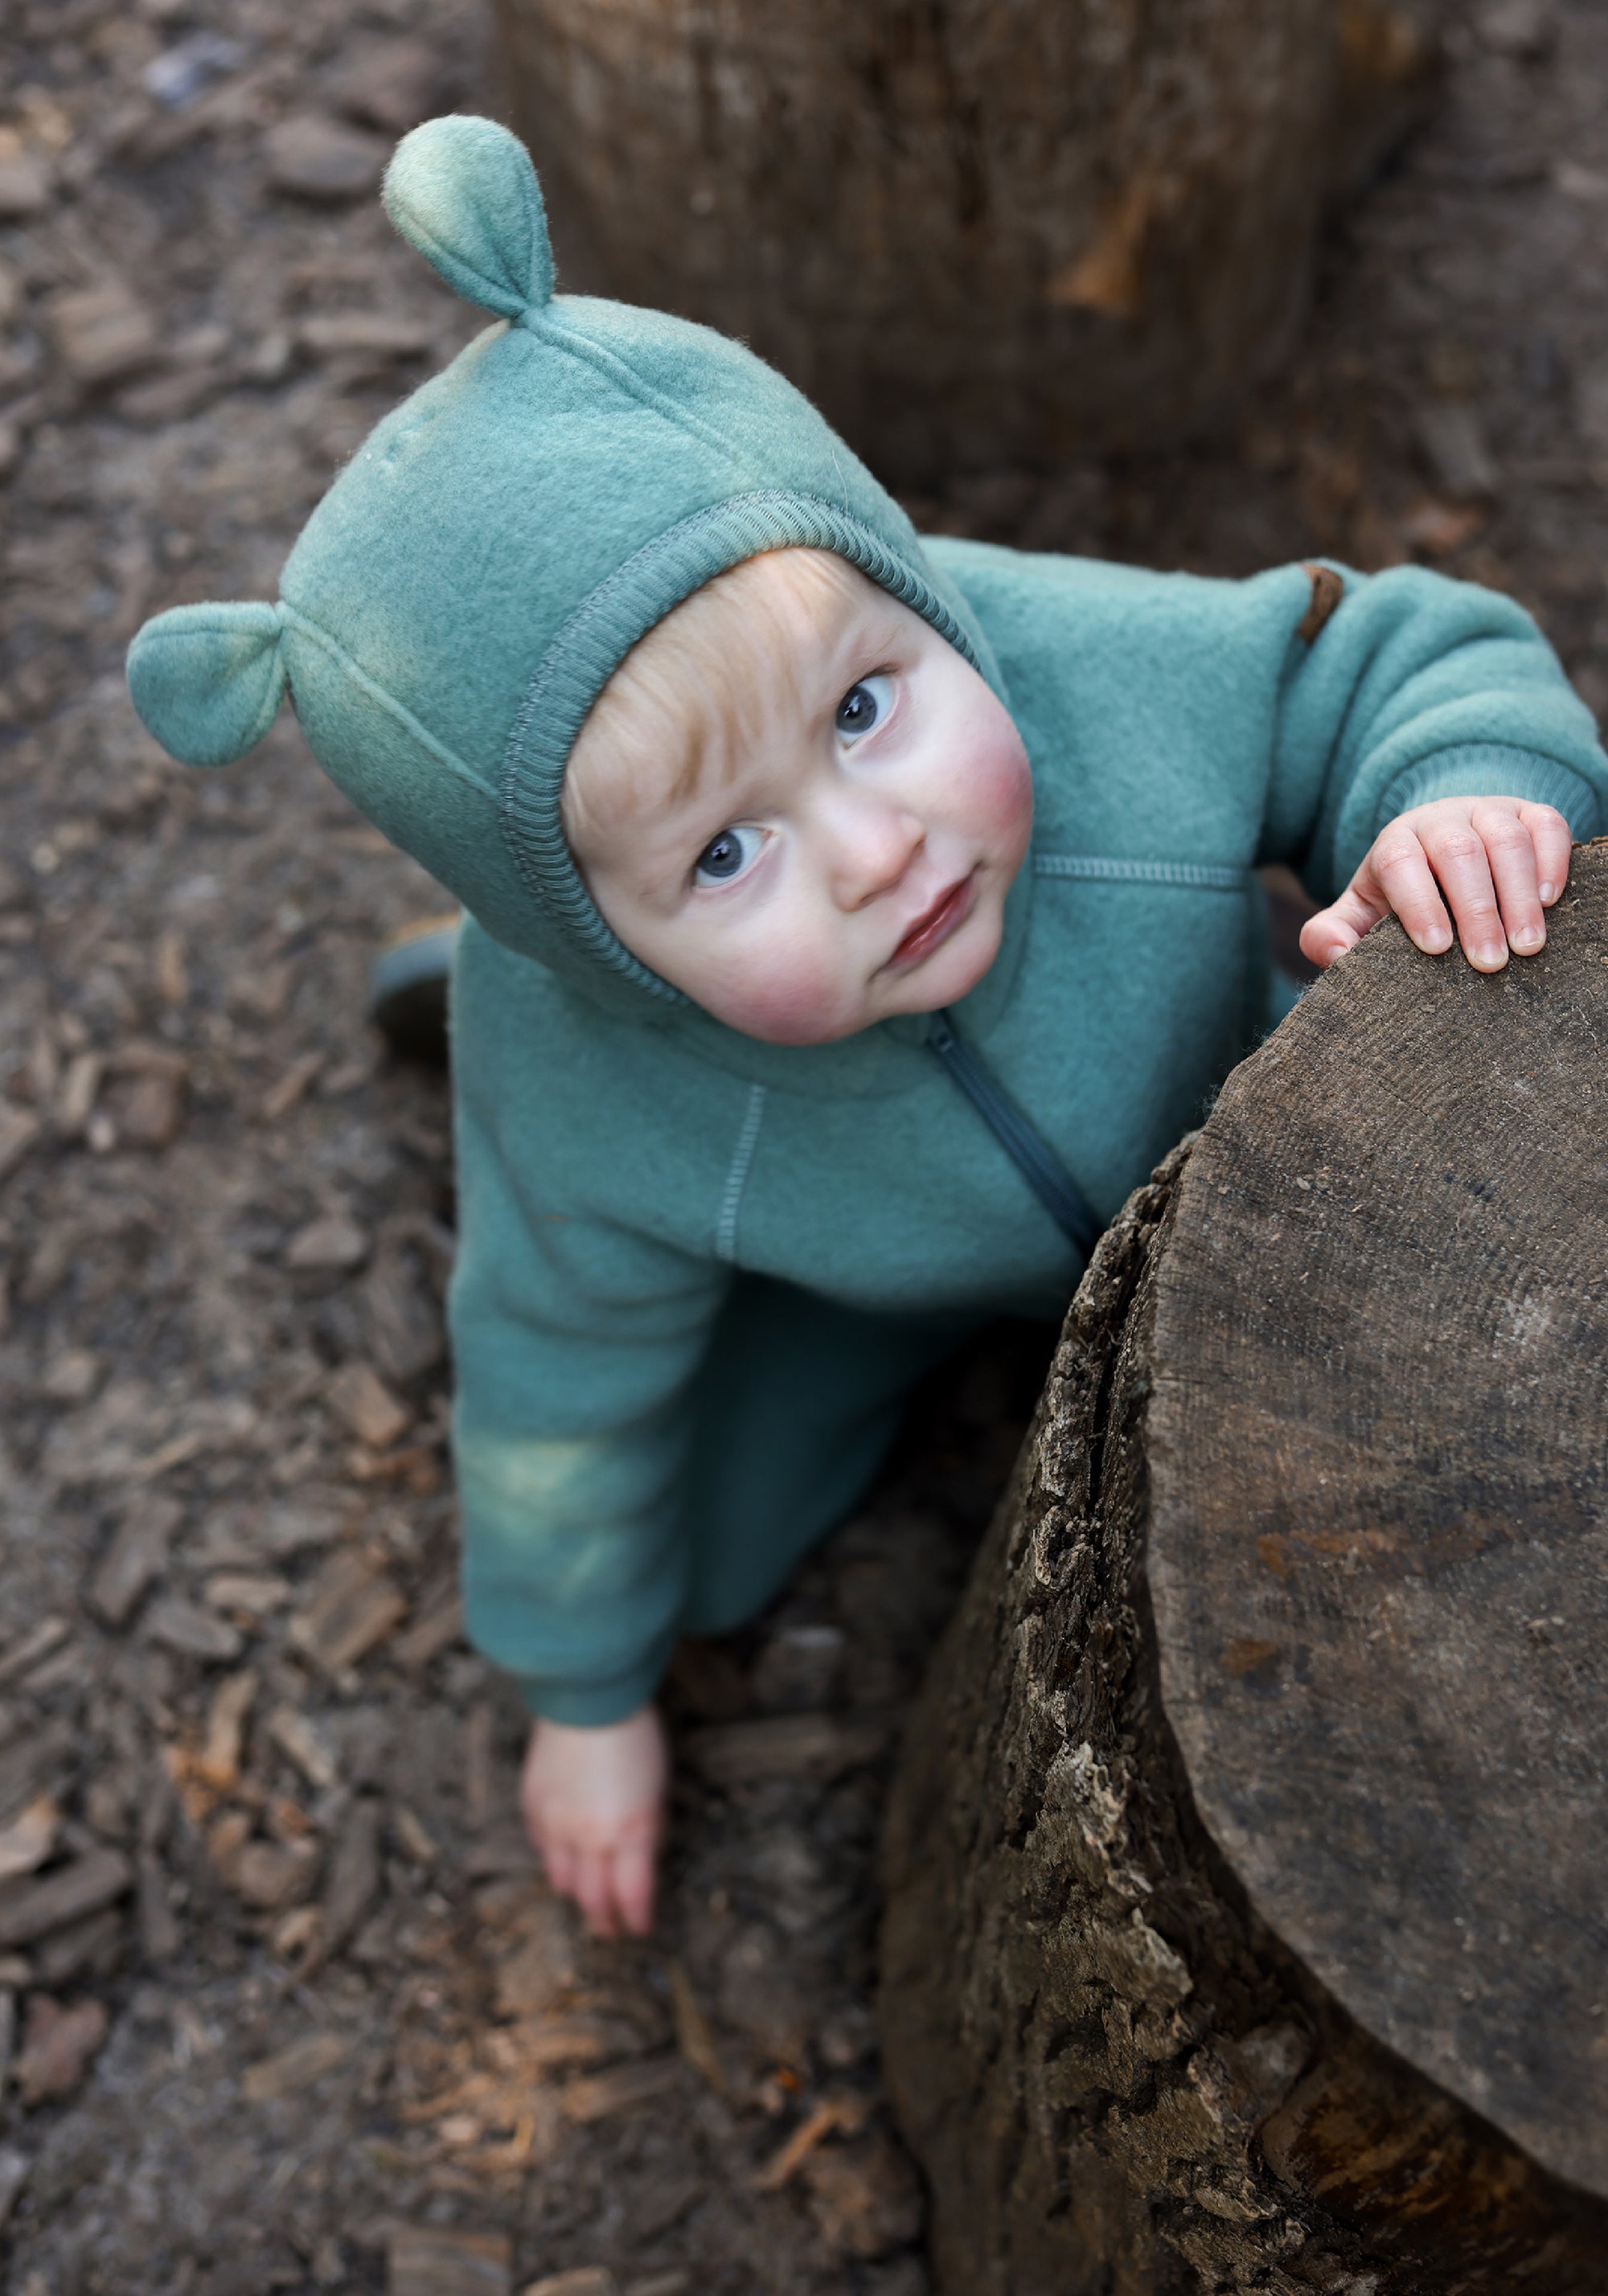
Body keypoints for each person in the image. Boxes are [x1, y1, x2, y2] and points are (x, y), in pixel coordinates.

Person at [126, 117, 1608, 1941]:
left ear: (906, 589)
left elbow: (1376, 654)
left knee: (1487, 1194)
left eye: (860, 713)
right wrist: (578, 1697)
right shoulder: (597, 1082)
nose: (874, 849)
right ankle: (481, 1014)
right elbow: (555, 1387)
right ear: (593, 943)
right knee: (699, 1558)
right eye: (726, 852)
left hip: (1250, 1103)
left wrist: (1449, 791)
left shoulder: (1056, 664)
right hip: (866, 1268)